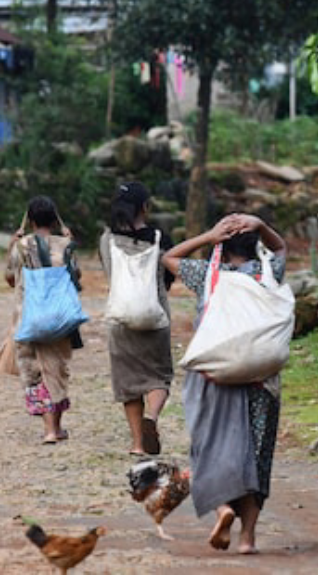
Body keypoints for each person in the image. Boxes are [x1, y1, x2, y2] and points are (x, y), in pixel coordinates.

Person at [162, 213, 287, 555]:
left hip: (214, 378)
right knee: (257, 457)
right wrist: (261, 224)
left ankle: (223, 509)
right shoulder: (267, 273)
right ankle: (247, 537)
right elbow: (281, 247)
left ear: (222, 244)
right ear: (254, 244)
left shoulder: (207, 275)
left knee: (210, 447)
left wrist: (207, 235)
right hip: (260, 380)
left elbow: (168, 258)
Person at [98, 182, 175, 456]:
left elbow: (109, 272)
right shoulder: (160, 238)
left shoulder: (107, 240)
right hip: (155, 317)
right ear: (145, 207)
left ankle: (137, 444)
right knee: (159, 377)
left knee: (128, 383)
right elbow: (168, 278)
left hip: (120, 319)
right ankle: (151, 417)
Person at [4, 196, 82, 445]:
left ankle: (49, 430)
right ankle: (56, 428)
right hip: (60, 317)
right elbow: (76, 276)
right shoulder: (65, 245)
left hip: (30, 317)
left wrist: (11, 245)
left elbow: (9, 277)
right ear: (53, 220)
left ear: (32, 220)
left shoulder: (22, 245)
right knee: (57, 368)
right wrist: (69, 242)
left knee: (38, 371)